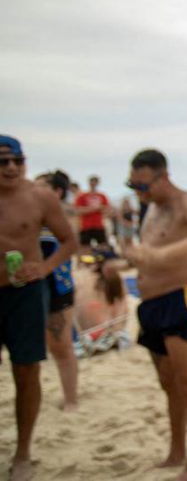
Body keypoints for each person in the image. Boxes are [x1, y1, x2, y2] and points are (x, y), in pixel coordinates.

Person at [103, 149, 187, 481]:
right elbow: (145, 256)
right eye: (133, 186)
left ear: (162, 177)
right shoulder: (150, 207)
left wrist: (159, 254)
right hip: (150, 304)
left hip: (177, 300)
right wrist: (119, 266)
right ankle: (176, 450)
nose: (140, 192)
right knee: (168, 384)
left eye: (143, 185)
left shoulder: (185, 202)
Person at [0, 136, 77, 481]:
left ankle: (22, 453)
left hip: (26, 294)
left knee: (27, 371)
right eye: (3, 162)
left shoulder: (39, 197)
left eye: (18, 160)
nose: (12, 167)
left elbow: (69, 240)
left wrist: (44, 269)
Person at [34, 170, 80, 411]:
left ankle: (71, 399)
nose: (33, 190)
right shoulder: (31, 210)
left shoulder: (64, 213)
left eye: (40, 186)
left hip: (57, 285)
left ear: (57, 191)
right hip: (31, 285)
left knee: (61, 346)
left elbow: (71, 244)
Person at [74, 174, 110, 253]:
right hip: (86, 226)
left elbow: (107, 209)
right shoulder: (82, 196)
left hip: (98, 225)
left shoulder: (102, 196)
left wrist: (99, 209)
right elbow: (78, 210)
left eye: (95, 182)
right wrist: (94, 208)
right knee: (85, 248)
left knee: (103, 247)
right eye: (92, 182)